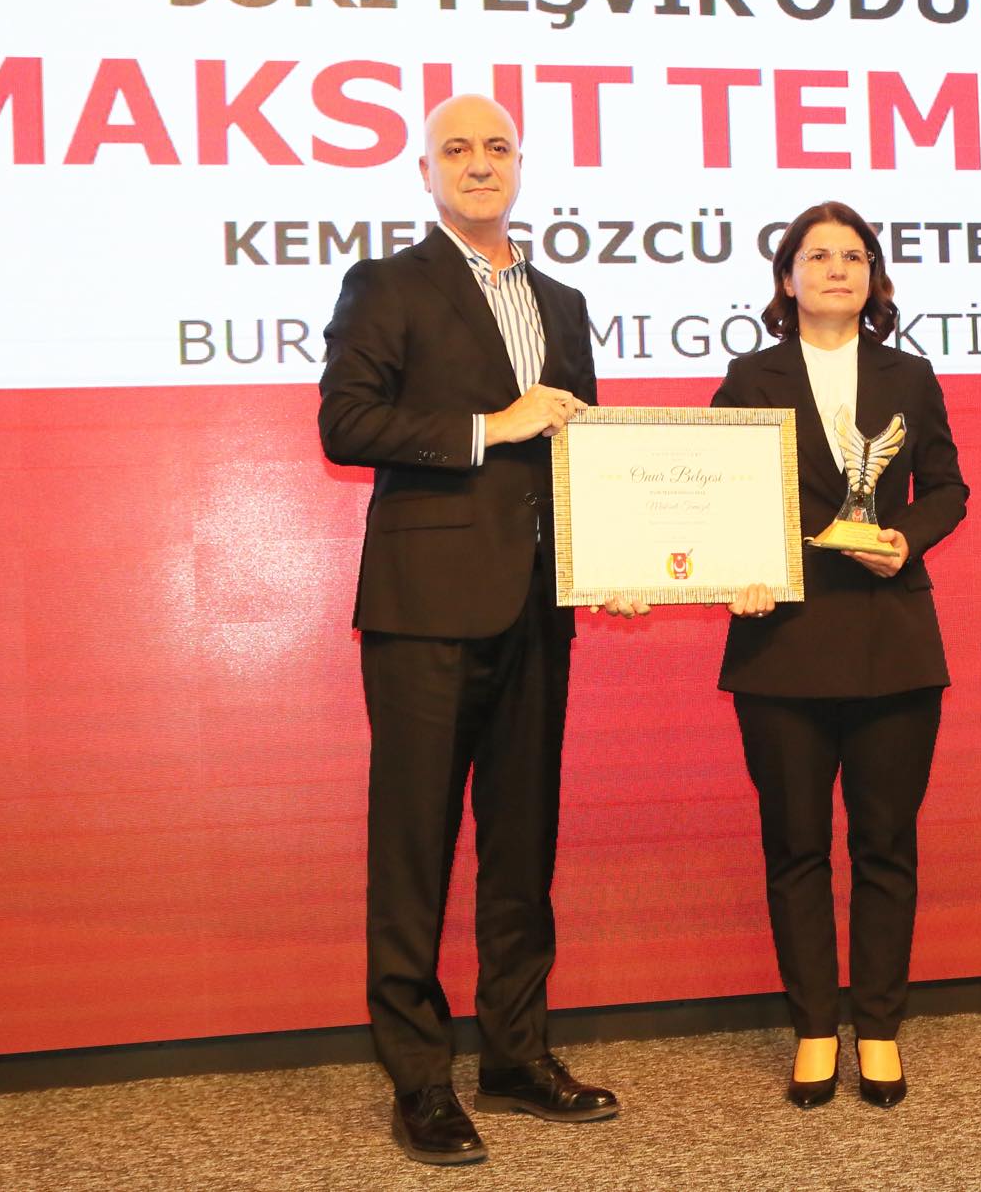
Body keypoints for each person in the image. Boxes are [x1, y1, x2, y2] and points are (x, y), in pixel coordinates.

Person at [318, 94, 627, 1166]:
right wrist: (492, 425)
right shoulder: (387, 284)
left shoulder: (563, 301)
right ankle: (419, 1077)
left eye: (497, 147)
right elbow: (345, 421)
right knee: (413, 846)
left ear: (520, 165)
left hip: (539, 605)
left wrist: (618, 560)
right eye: (457, 148)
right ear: (426, 171)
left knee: (522, 843)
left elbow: (582, 451)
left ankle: (515, 1053)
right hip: (424, 609)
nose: (479, 163)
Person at [712, 200, 968, 1108]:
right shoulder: (750, 377)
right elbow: (715, 497)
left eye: (853, 255)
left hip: (891, 640)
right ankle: (816, 1026)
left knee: (886, 844)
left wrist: (906, 538)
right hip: (782, 644)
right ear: (787, 278)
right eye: (816, 255)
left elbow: (948, 487)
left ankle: (881, 1028)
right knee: (795, 848)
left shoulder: (910, 375)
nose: (836, 269)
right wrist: (732, 569)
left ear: (873, 276)